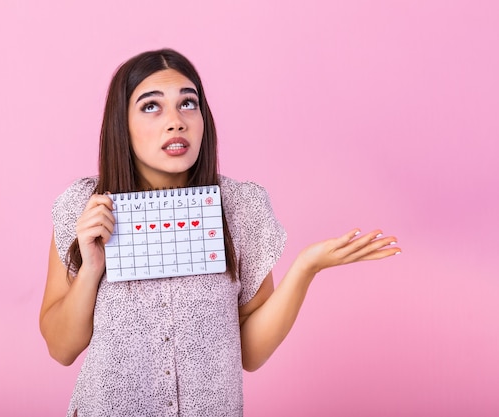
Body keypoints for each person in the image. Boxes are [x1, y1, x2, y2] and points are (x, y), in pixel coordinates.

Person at [39, 48, 401, 417]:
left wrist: (306, 267)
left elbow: (251, 353)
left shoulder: (242, 207)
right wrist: (91, 267)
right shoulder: (84, 207)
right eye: (151, 106)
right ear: (122, 124)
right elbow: (60, 348)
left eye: (188, 104)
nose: (176, 121)